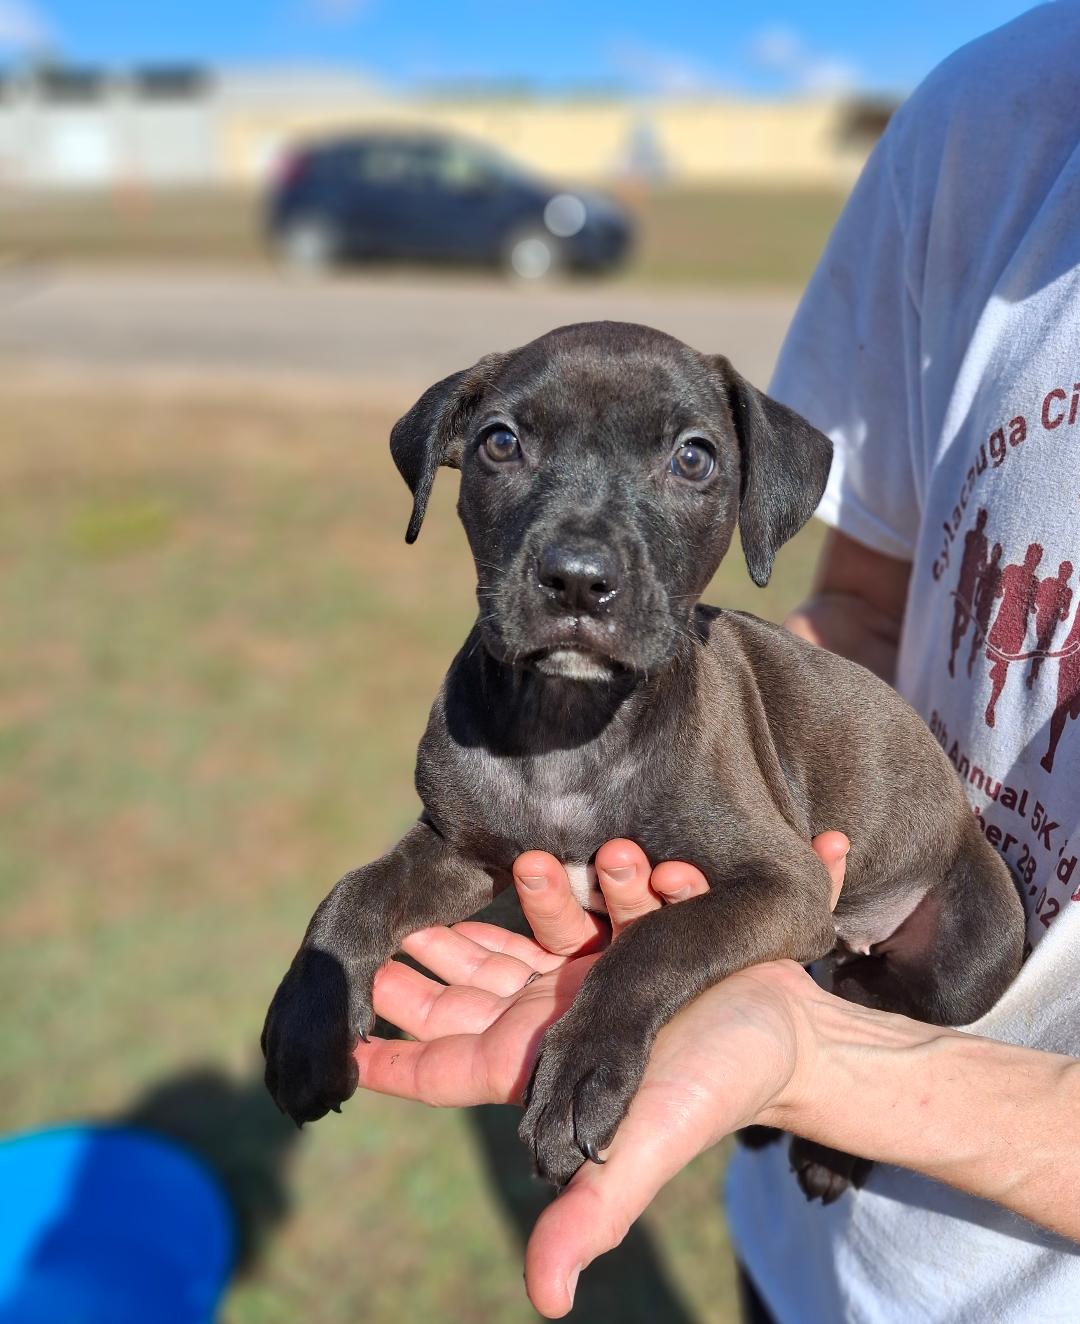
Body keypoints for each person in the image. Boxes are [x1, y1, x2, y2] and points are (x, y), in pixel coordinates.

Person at [355, 7, 1080, 1320]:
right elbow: (857, 604)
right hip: (810, 1255)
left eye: (689, 463)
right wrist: (687, 812)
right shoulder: (992, 116)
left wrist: (831, 1071)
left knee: (958, 932)